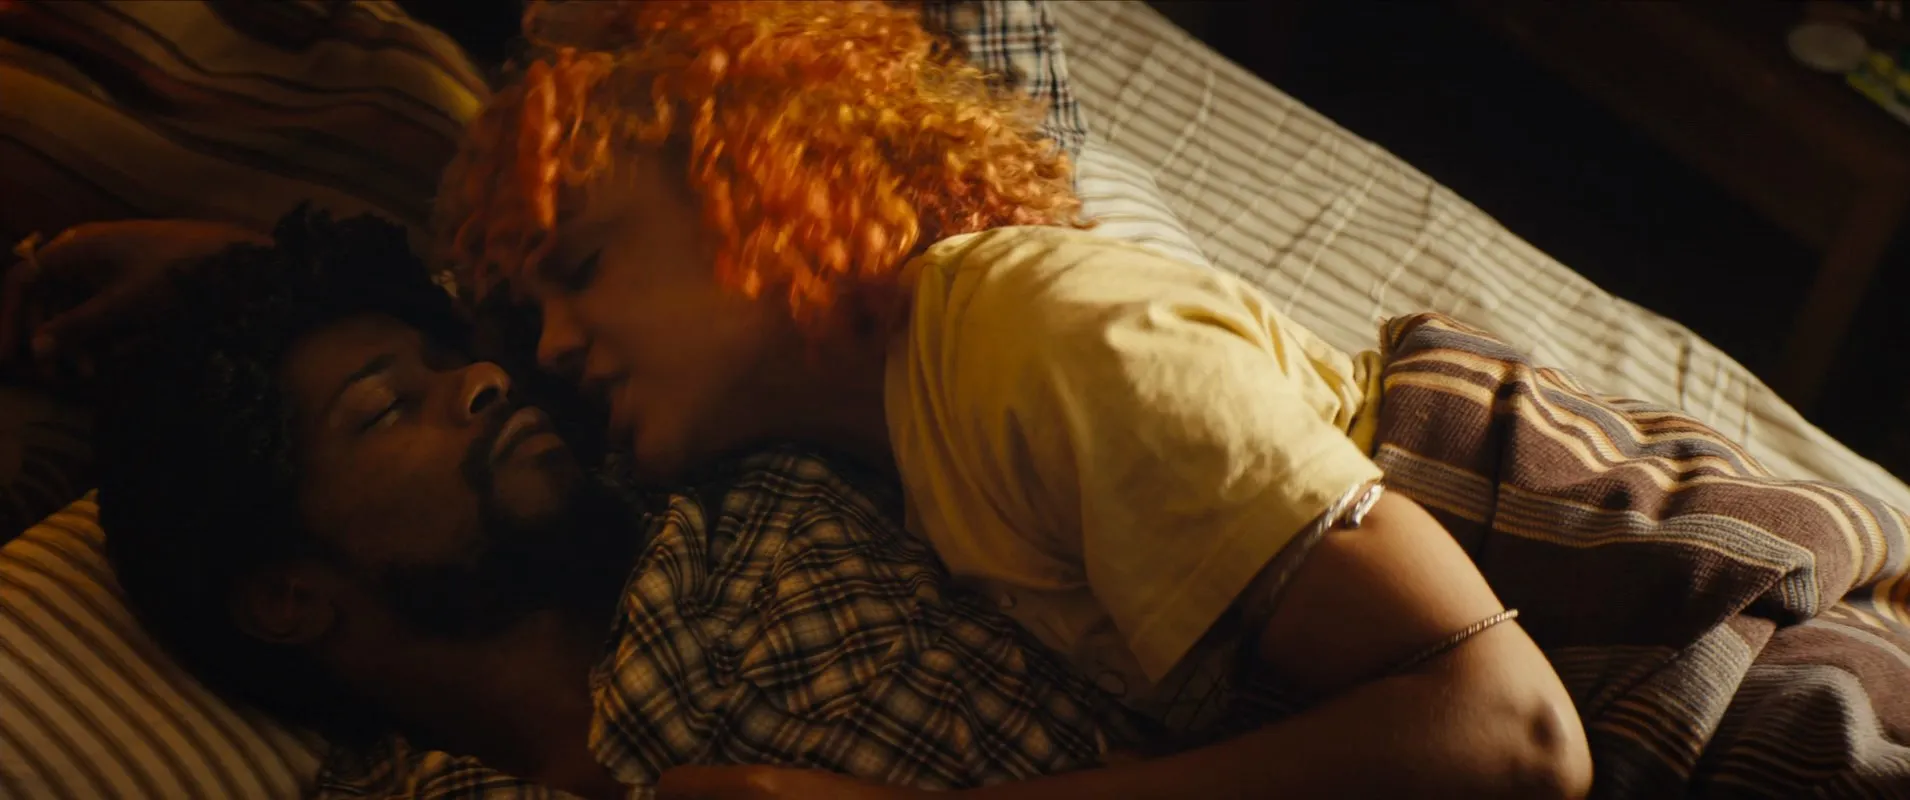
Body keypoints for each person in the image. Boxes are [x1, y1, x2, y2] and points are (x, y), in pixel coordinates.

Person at [433, 2, 1592, 799]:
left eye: (581, 268)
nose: (555, 345)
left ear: (747, 180)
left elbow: (1512, 731)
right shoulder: (903, 451)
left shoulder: (1024, 333)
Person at [90, 207, 1143, 800]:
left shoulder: (736, 475)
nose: (482, 381)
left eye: (451, 360)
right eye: (386, 408)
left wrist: (224, 254)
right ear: (285, 595)